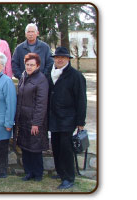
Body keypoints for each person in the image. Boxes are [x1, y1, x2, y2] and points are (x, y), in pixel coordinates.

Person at [46, 46, 87, 189]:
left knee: (66, 148)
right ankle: (60, 172)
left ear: (68, 59)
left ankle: (69, 177)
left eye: (63, 58)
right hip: (54, 118)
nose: (60, 60)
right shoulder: (49, 73)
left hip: (68, 119)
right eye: (57, 57)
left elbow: (81, 100)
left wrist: (80, 122)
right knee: (56, 147)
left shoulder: (76, 76)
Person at [15, 53, 49, 181]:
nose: (29, 67)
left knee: (35, 149)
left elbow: (41, 104)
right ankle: (28, 172)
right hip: (23, 119)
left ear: (38, 65)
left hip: (34, 121)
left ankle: (38, 173)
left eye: (32, 65)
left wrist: (36, 123)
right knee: (25, 147)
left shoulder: (41, 79)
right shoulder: (24, 76)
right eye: (27, 64)